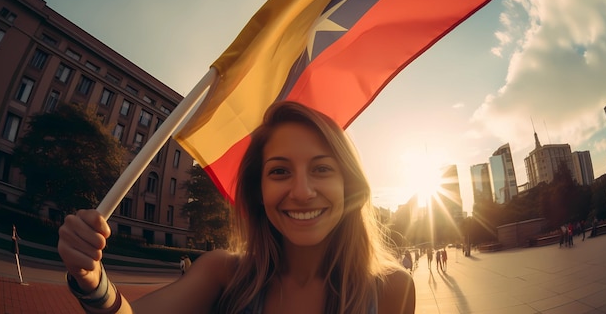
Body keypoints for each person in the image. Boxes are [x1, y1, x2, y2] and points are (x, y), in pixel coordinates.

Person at [57, 101, 416, 314]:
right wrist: (92, 281)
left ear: (349, 185)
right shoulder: (224, 276)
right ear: (258, 190)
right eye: (279, 171)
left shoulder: (392, 289)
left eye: (322, 169)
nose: (303, 192)